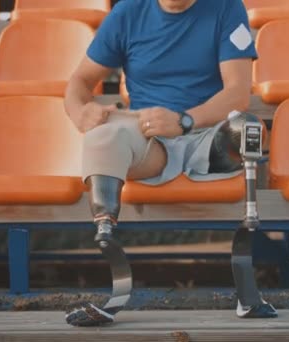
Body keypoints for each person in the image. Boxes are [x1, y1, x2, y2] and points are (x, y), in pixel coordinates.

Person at [64, 0, 272, 326]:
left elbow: (237, 93)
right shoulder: (128, 12)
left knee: (247, 127)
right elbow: (78, 81)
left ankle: (247, 282)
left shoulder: (226, 7)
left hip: (210, 137)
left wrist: (186, 121)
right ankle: (106, 233)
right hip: (151, 139)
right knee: (100, 137)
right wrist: (81, 112)